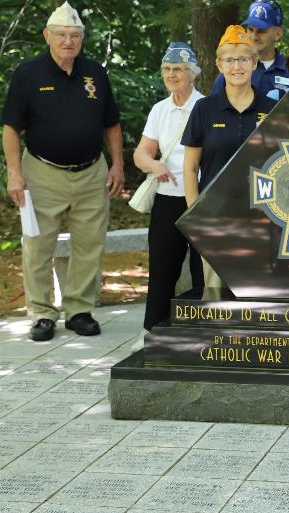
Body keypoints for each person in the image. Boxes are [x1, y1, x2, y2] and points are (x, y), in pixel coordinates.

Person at [1, 1, 124, 342]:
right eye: (61, 35)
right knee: (38, 245)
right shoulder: (28, 74)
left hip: (91, 173)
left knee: (90, 243)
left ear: (82, 38)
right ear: (47, 36)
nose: (68, 41)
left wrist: (117, 164)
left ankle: (79, 310)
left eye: (75, 35)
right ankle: (41, 312)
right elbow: (11, 128)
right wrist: (15, 173)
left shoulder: (95, 73)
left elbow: (111, 123)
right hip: (42, 172)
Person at [183, 26, 276, 287]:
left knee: (261, 293)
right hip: (216, 219)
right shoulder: (204, 109)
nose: (237, 66)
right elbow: (190, 168)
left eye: (244, 59)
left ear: (255, 63)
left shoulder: (271, 109)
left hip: (263, 217)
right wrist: (195, 216)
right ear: (219, 65)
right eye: (229, 60)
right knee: (217, 296)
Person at [132, 42, 205, 348]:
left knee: (202, 269)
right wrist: (153, 164)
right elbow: (141, 153)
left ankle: (204, 331)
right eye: (167, 69)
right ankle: (151, 330)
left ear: (193, 74)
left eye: (178, 69)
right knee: (162, 267)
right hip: (166, 197)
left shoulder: (206, 107)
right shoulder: (160, 109)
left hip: (199, 197)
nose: (172, 75)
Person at [210, 0, 289, 101]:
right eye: (250, 30)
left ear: (278, 33)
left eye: (261, 31)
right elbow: (213, 110)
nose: (254, 37)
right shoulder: (234, 69)